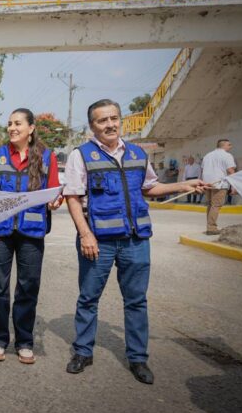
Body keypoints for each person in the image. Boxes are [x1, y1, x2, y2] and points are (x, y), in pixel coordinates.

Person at [64, 99, 206, 384]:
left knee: (137, 301)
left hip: (136, 240)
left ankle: (138, 358)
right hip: (99, 241)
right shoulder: (81, 155)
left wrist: (183, 185)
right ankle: (83, 351)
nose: (110, 124)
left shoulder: (138, 153)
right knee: (89, 298)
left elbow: (150, 187)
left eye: (114, 118)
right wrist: (85, 234)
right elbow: (73, 197)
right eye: (103, 120)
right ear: (92, 126)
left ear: (120, 121)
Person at [0, 108, 63, 365]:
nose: (12, 128)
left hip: (32, 231)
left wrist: (54, 202)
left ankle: (25, 341)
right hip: (0, 232)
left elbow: (52, 192)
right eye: (9, 124)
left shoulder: (47, 157)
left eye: (18, 123)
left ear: (31, 128)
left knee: (28, 287)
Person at [201, 140, 237, 235]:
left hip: (207, 184)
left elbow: (202, 170)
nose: (231, 146)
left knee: (210, 205)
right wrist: (235, 186)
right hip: (220, 184)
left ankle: (209, 227)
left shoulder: (207, 155)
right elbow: (230, 171)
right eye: (229, 144)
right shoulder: (227, 155)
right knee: (216, 205)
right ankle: (211, 228)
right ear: (223, 145)